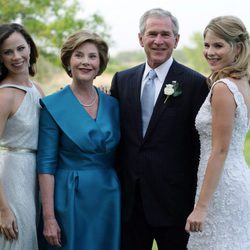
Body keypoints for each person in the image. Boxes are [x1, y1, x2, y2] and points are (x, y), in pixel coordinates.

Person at [110, 8, 209, 250]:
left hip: (175, 202)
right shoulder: (122, 80)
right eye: (152, 34)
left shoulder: (196, 83)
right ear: (140, 38)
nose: (158, 41)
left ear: (176, 40)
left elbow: (200, 145)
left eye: (166, 34)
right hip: (130, 202)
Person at [36, 30, 121, 250]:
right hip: (69, 196)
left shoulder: (113, 103)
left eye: (92, 56)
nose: (86, 62)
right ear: (68, 61)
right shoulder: (53, 106)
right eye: (79, 55)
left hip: (108, 196)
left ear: (100, 62)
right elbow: (46, 165)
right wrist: (49, 217)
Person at [185, 15, 250, 249]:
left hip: (220, 187)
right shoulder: (244, 83)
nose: (210, 52)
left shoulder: (223, 88)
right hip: (236, 177)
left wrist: (201, 207)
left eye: (218, 45)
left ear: (238, 48)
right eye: (207, 45)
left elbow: (220, 150)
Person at [0, 23, 44, 249]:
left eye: (20, 48)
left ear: (30, 48)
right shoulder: (4, 95)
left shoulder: (36, 88)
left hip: (34, 177)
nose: (16, 57)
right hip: (11, 178)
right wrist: (3, 209)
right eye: (7, 52)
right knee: (16, 241)